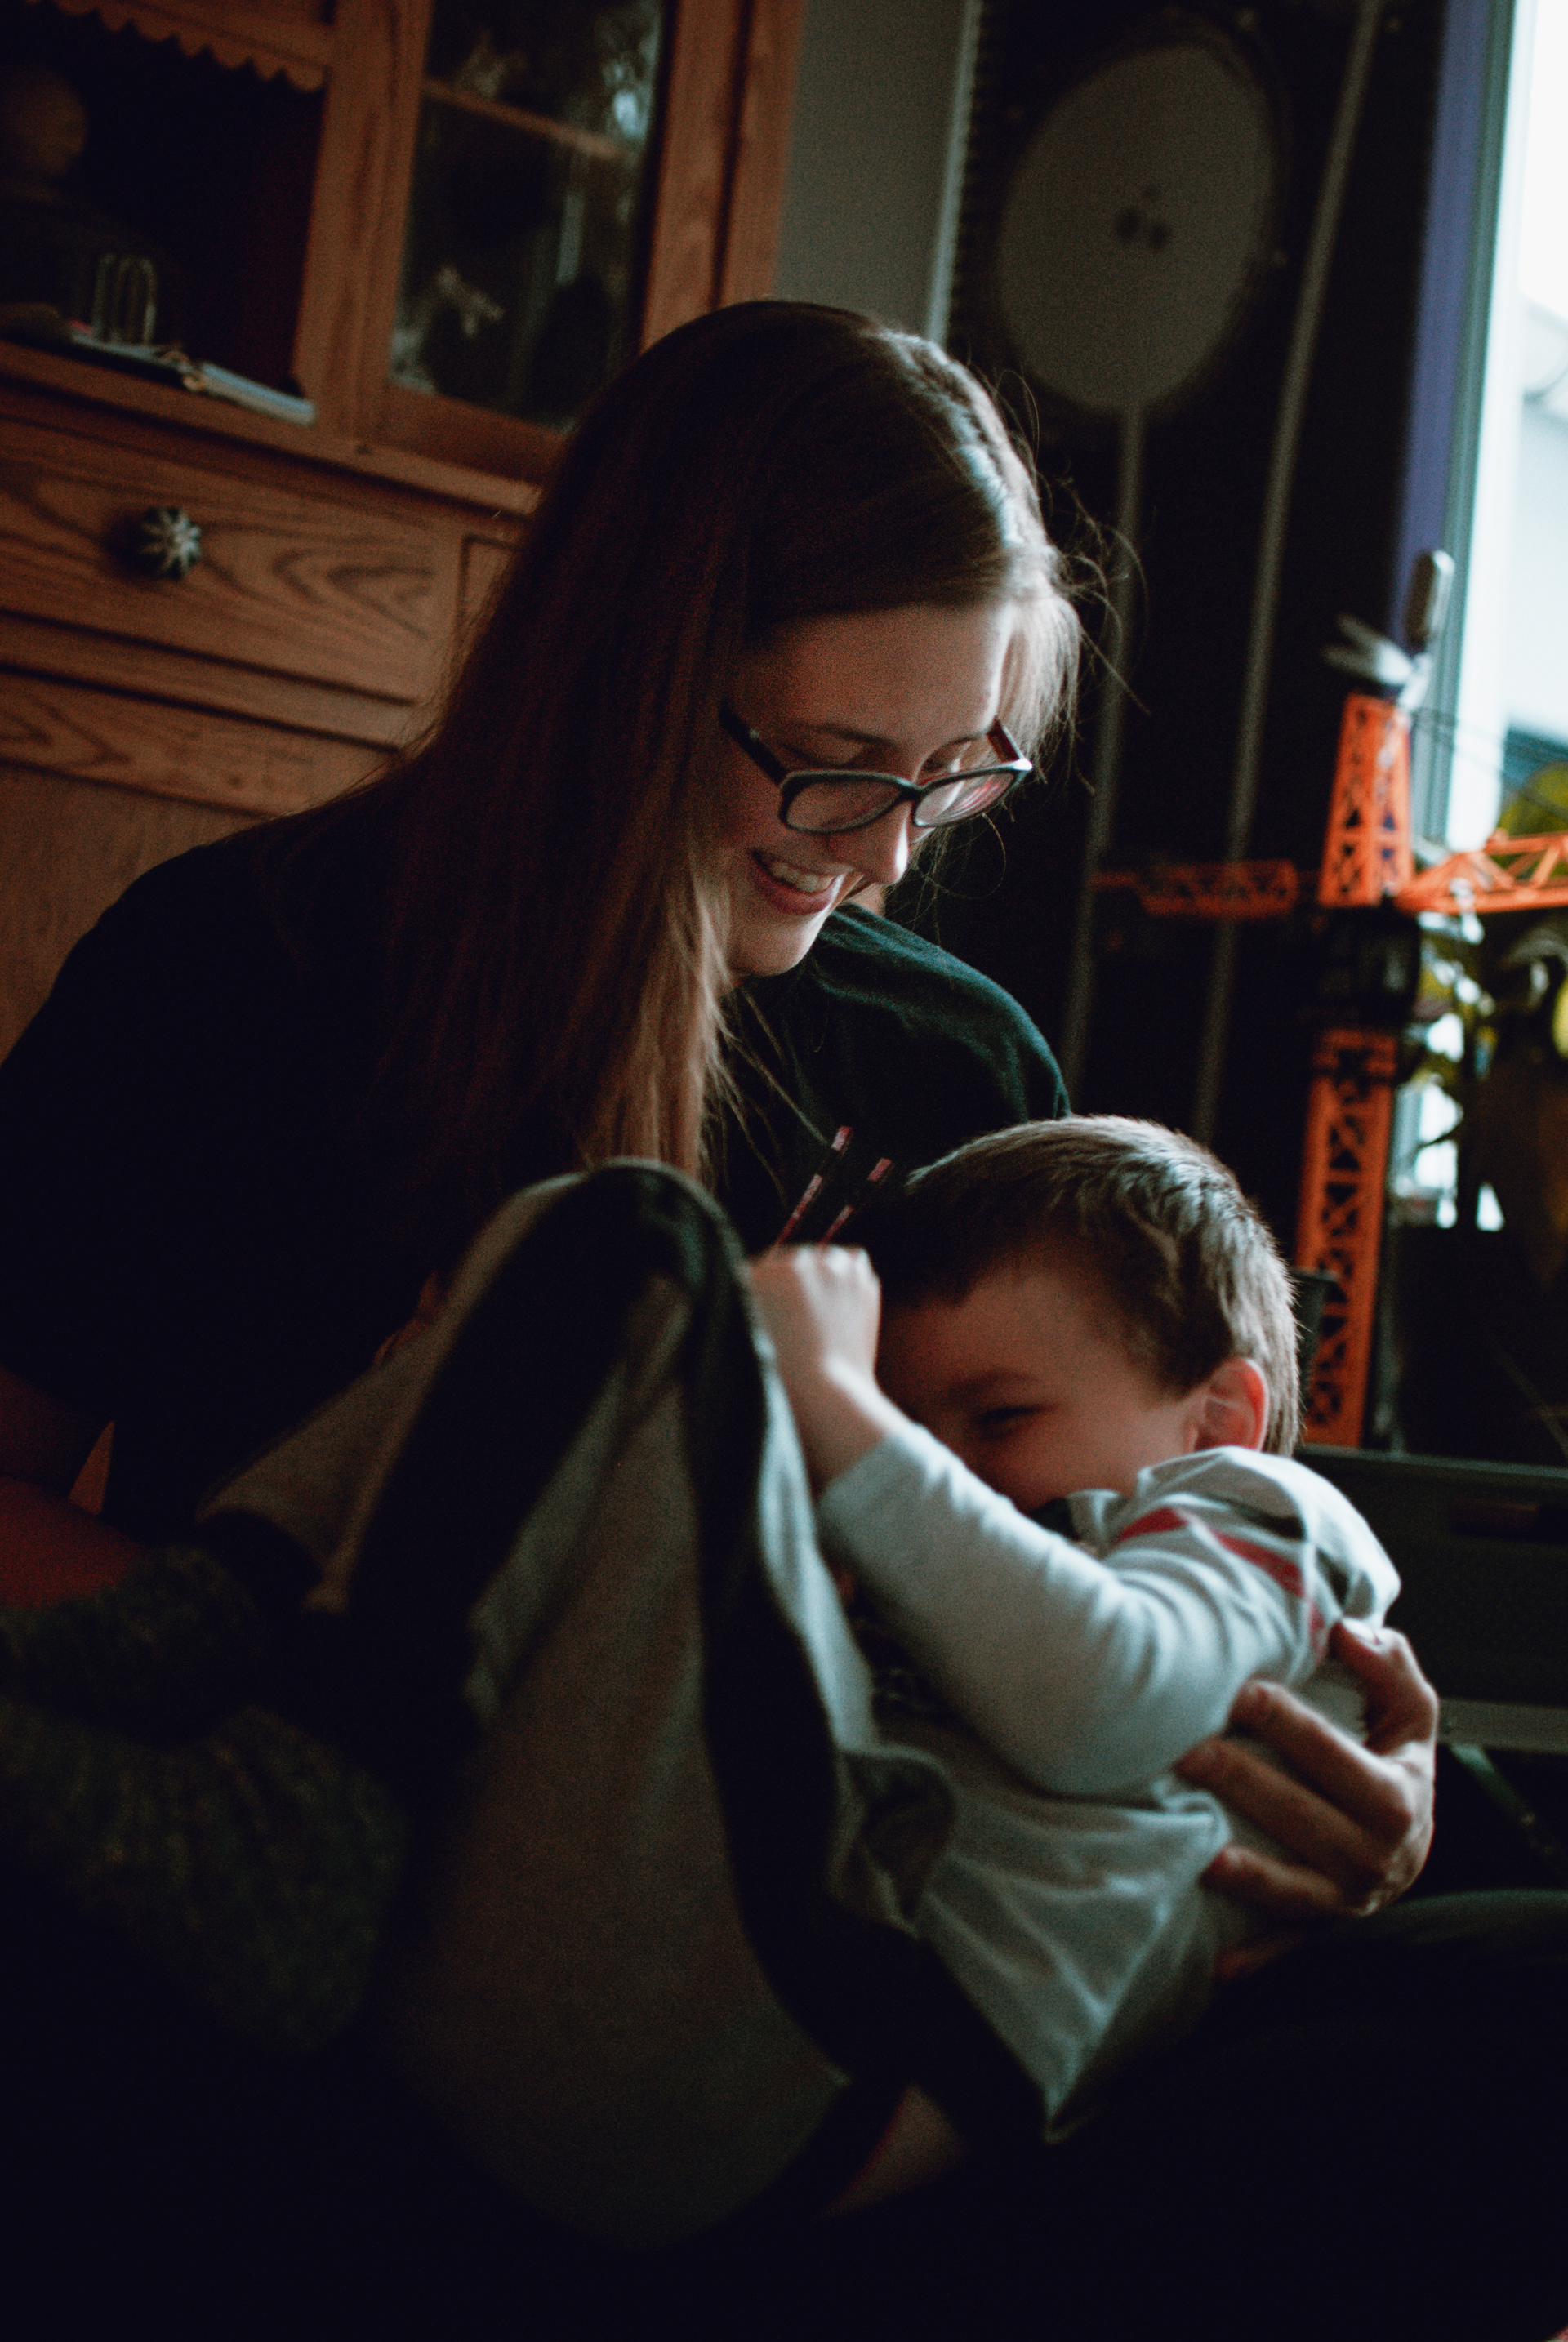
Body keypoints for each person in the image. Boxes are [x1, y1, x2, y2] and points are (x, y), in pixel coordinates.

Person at [0, 303, 1450, 2322]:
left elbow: (1069, 1609)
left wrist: (1354, 1795)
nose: (881, 858)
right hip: (307, 1902)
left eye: (952, 779)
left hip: (774, 1956)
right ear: (636, 671)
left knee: (1474, 2006)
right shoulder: (240, 967)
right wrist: (340, 1679)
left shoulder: (957, 1072)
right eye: (834, 770)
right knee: (626, 1270)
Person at [750, 1115, 1401, 2137]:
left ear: (1218, 1420)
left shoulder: (1255, 1509)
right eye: (906, 1429)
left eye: (1000, 1418)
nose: (941, 1475)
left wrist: (834, 1401)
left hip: (932, 2050)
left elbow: (1102, 1702)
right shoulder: (969, 1554)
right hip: (821, 1962)